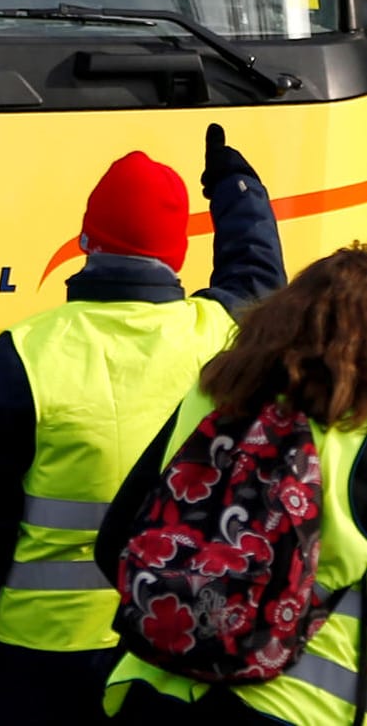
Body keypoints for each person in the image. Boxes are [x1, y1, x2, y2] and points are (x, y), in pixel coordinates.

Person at [0, 126, 284, 725]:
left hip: (44, 656)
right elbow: (257, 277)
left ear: (86, 242)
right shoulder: (222, 338)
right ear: (177, 256)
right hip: (172, 644)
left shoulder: (20, 354)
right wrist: (237, 187)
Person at [95, 245, 367, 725]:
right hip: (293, 709)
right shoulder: (354, 437)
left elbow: (114, 540)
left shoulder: (212, 398)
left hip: (153, 693)